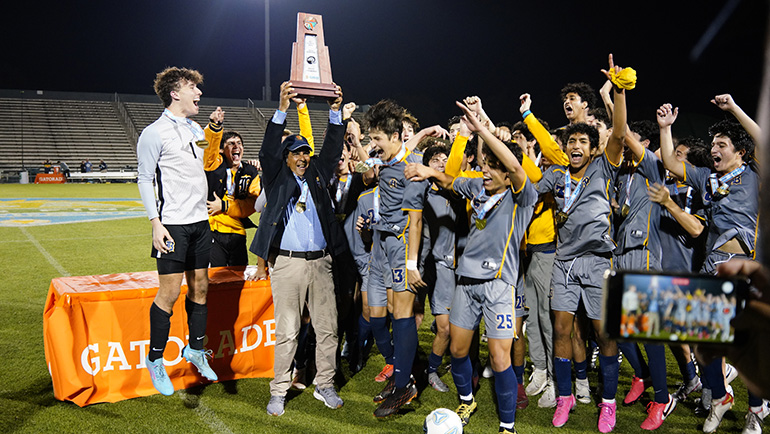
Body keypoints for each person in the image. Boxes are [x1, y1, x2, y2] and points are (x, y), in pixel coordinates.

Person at [406, 99, 537, 434]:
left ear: (509, 175)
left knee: (499, 358)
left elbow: (516, 166)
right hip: (465, 282)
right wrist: (429, 171)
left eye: (494, 167)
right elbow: (451, 181)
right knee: (458, 349)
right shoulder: (477, 186)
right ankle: (467, 400)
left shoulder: (522, 196)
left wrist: (482, 130)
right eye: (485, 164)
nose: (487, 170)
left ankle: (507, 426)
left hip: (499, 285)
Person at [657, 95, 763, 434]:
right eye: (713, 144)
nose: (714, 150)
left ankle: (757, 410)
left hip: (745, 267)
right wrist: (665, 128)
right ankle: (720, 397)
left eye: (722, 144)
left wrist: (733, 110)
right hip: (712, 265)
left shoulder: (754, 175)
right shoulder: (706, 178)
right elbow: (674, 166)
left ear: (740, 152)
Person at [535, 54, 627, 432]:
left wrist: (618, 91)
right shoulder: (556, 176)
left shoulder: (604, 168)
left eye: (581, 142)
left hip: (598, 263)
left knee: (604, 332)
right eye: (570, 140)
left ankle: (608, 402)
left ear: (592, 150)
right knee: (561, 330)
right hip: (564, 263)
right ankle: (564, 397)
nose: (575, 145)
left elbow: (619, 134)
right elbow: (525, 189)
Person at [250, 81, 348, 416]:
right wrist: (282, 107)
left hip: (321, 264)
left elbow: (333, 149)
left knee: (327, 328)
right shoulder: (277, 178)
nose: (303, 157)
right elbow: (266, 150)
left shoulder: (319, 174)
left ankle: (325, 384)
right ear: (286, 157)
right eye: (296, 152)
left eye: (306, 151)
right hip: (288, 265)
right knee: (287, 331)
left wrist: (335, 112)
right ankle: (278, 390)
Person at [136, 66, 218, 396]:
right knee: (169, 294)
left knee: (201, 288)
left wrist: (215, 132)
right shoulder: (154, 132)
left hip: (200, 223)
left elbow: (205, 164)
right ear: (175, 93)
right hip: (172, 225)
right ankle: (155, 359)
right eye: (192, 88)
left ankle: (195, 350)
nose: (199, 93)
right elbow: (145, 178)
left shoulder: (196, 126)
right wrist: (155, 223)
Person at [202, 107, 261, 267]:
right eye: (231, 144)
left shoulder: (250, 171)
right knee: (214, 278)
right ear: (221, 150)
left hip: (238, 233)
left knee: (238, 278)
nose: (236, 146)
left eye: (239, 143)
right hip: (213, 230)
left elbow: (255, 203)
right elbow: (209, 151)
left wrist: (224, 206)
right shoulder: (214, 166)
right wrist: (215, 127)